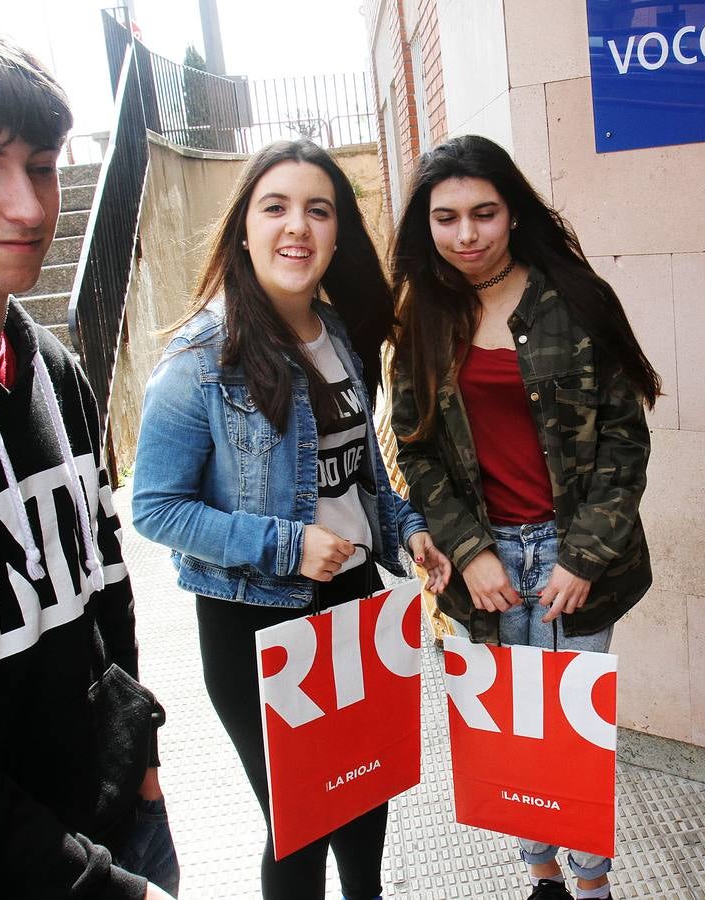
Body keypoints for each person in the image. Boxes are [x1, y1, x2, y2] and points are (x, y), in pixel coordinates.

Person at [131, 139, 450, 900]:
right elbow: (154, 506)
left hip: (354, 606)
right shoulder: (201, 357)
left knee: (367, 796)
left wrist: (405, 526)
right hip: (256, 623)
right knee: (301, 821)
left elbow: (357, 471)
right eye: (275, 207)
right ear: (244, 227)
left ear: (337, 235)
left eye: (318, 209)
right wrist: (284, 545)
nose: (296, 226)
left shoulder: (337, 334)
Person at [0, 5, 178, 899]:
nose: (27, 205)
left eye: (41, 166)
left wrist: (141, 763)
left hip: (124, 829)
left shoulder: (55, 369)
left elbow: (107, 586)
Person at [388, 134, 659, 900]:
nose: (466, 235)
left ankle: (593, 885)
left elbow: (624, 441)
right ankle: (541, 876)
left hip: (576, 561)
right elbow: (419, 453)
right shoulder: (423, 318)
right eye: (446, 218)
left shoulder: (572, 299)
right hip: (487, 565)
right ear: (426, 224)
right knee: (506, 730)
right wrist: (469, 550)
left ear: (513, 213)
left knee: (574, 732)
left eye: (484, 213)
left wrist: (583, 556)